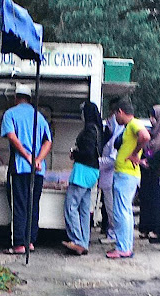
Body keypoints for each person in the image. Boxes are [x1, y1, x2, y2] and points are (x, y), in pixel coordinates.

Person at [1, 84, 52, 254]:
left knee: (19, 205)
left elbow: (11, 136)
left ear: (16, 98)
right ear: (30, 99)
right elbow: (48, 141)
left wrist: (27, 156)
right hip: (38, 170)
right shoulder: (40, 117)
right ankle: (30, 241)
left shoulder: (10, 114)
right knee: (32, 204)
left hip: (20, 167)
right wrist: (38, 160)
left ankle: (19, 244)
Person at [106, 98, 150, 259]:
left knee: (121, 212)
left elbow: (145, 136)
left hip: (126, 174)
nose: (114, 118)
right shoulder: (129, 126)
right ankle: (125, 245)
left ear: (120, 112)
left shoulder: (133, 124)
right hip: (126, 174)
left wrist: (134, 153)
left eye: (114, 114)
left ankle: (123, 247)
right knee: (125, 212)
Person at [62, 101, 103, 255]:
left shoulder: (89, 130)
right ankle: (84, 242)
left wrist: (74, 153)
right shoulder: (98, 129)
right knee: (84, 209)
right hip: (92, 172)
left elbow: (86, 152)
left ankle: (77, 240)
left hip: (82, 171)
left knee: (71, 206)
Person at [137, 105, 160, 243]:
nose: (151, 119)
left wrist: (151, 162)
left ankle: (155, 229)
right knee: (145, 198)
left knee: (156, 200)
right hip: (145, 170)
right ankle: (144, 228)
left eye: (154, 117)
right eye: (150, 116)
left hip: (157, 170)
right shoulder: (150, 132)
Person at [98, 113, 124, 244]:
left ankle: (114, 234)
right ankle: (111, 232)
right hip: (107, 178)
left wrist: (95, 162)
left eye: (110, 123)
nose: (108, 126)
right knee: (109, 208)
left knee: (112, 208)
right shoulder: (113, 138)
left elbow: (111, 160)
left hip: (111, 178)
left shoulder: (116, 140)